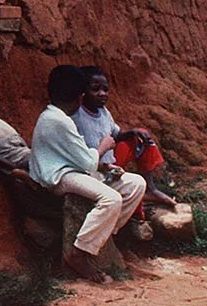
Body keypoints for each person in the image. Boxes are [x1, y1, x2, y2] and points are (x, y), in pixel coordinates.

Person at [30, 64, 146, 282]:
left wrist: (106, 167)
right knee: (111, 198)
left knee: (135, 184)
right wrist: (104, 146)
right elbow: (87, 161)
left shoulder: (56, 116)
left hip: (74, 172)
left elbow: (84, 161)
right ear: (79, 97)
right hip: (59, 178)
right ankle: (78, 254)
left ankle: (103, 236)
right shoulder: (58, 121)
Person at [75, 67, 178, 209]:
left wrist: (132, 132)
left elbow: (116, 135)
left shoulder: (103, 112)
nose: (102, 94)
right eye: (95, 89)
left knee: (140, 136)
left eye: (105, 89)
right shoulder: (76, 116)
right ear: (83, 91)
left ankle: (151, 189)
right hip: (93, 168)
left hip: (111, 164)